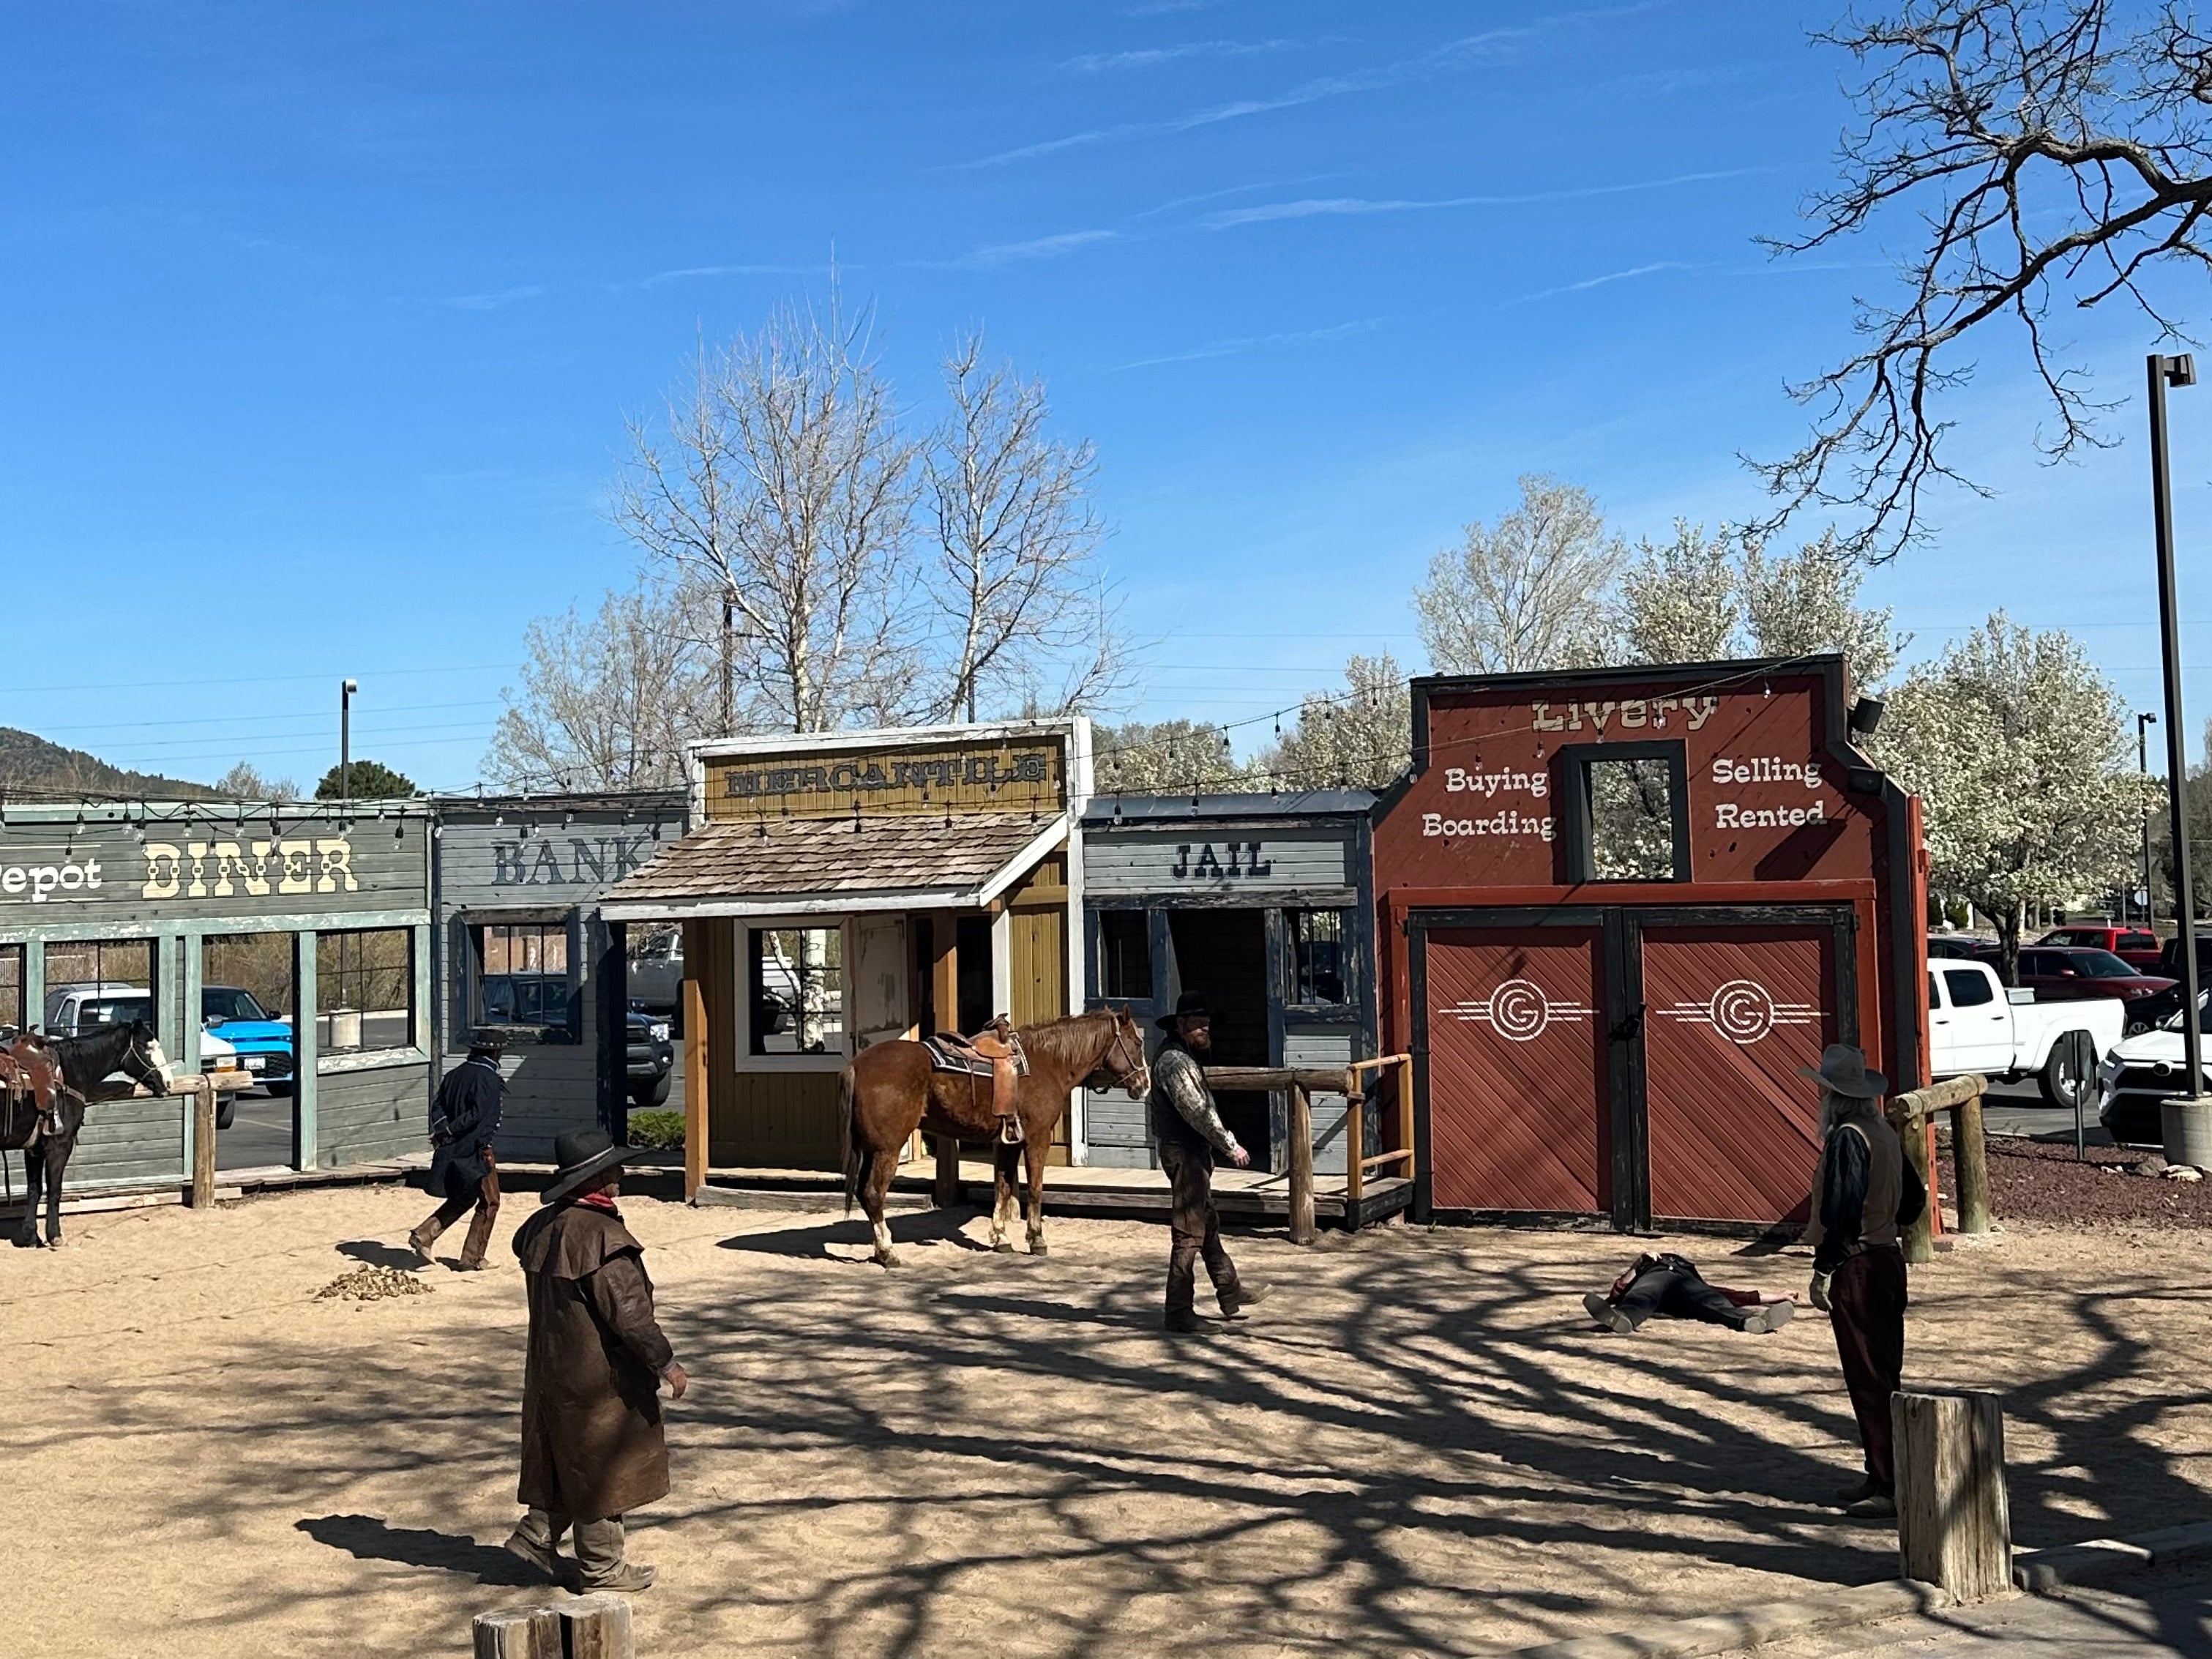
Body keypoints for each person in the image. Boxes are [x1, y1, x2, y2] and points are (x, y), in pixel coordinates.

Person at [504, 1128, 690, 1593]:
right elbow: (631, 1316)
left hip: (551, 1367)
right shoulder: (604, 1238)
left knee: (566, 1453)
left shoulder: (544, 1227)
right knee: (603, 1466)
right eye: (612, 1169)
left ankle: (536, 1535)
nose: (620, 1174)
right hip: (599, 1377)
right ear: (593, 1180)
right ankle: (602, 1570)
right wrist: (665, 1364)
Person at [1800, 1042, 1924, 1520]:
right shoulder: (1884, 1133)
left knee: (1869, 1375)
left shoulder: (1849, 1138)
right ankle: (1882, 1472)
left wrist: (1825, 1269)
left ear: (1834, 1097)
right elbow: (1914, 1199)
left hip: (1860, 1263)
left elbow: (1841, 1211)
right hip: (1888, 1258)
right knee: (1883, 1371)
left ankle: (1890, 1482)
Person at [1149, 992, 1267, 1334]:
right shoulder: (1174, 1063)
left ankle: (1229, 1289)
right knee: (1188, 1233)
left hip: (1190, 1151)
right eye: (1198, 1024)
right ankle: (1179, 1312)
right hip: (1184, 1152)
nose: (1205, 1030)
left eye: (1207, 1024)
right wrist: (1230, 1146)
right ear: (1182, 1026)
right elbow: (1198, 1113)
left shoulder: (1183, 1057)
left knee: (1207, 1222)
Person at [408, 1037, 505, 1270]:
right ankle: (473, 1259)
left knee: (464, 1197)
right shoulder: (488, 1078)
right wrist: (452, 1129)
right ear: (496, 1053)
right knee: (490, 1201)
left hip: (454, 1147)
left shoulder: (455, 1074)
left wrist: (443, 1131)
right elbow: (479, 1114)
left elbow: (438, 1107)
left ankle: (424, 1235)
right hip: (476, 1149)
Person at [1583, 1252, 1796, 1335]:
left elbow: (1733, 1295)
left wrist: (1777, 1295)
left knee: (1715, 1300)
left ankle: (1752, 1321)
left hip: (1686, 1290)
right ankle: (1624, 1318)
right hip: (1657, 1285)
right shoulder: (1650, 1269)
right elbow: (1617, 1293)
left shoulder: (1689, 1276)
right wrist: (1639, 1263)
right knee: (1646, 1292)